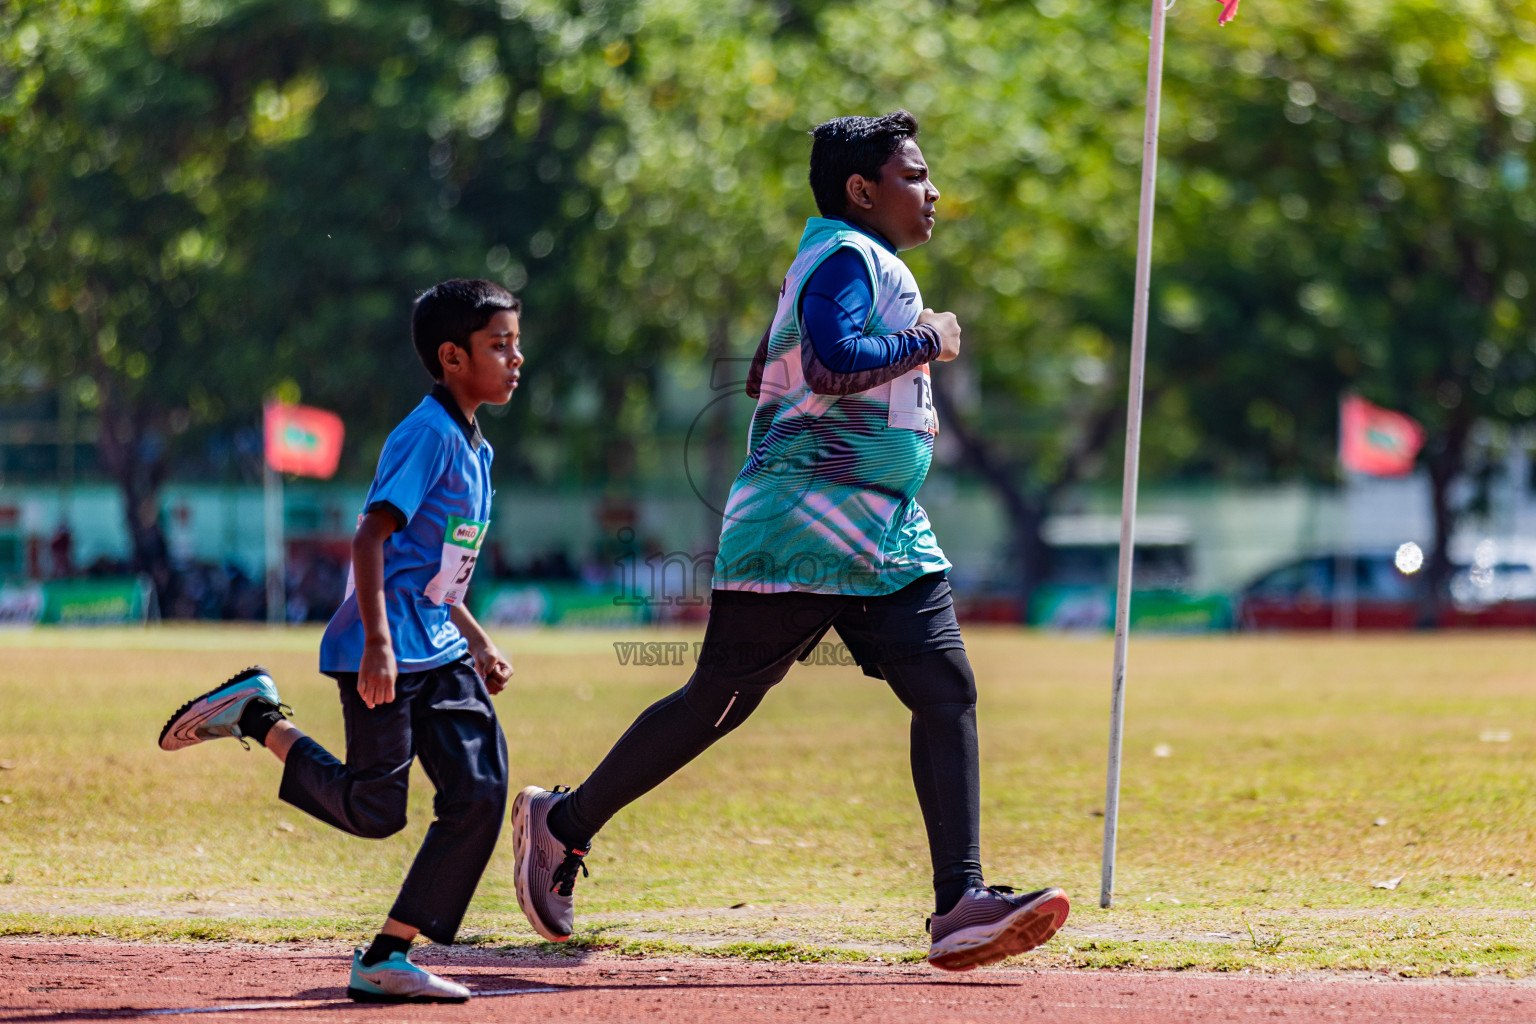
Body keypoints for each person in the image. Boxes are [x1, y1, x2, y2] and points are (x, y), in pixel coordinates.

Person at [511, 111, 1069, 972]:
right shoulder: (849, 255)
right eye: (914, 175)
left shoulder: (848, 261)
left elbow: (789, 366)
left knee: (945, 687)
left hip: (881, 526)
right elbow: (833, 363)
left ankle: (960, 902)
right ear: (861, 189)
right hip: (804, 523)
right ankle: (563, 822)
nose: (932, 192)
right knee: (720, 700)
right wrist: (932, 339)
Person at [158, 279, 523, 1002]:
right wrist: (379, 647)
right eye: (499, 345)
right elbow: (370, 538)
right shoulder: (427, 434)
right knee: (374, 810)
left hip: (439, 647)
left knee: (480, 791)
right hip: (383, 646)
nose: (517, 357)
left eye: (516, 341)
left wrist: (476, 638)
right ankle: (257, 716)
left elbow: (438, 574)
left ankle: (388, 954)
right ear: (452, 357)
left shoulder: (476, 448)